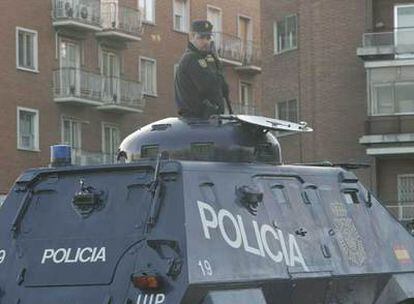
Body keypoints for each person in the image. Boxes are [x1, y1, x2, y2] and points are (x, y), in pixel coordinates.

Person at [175, 20, 230, 119]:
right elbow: (210, 87)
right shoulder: (191, 59)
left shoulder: (209, 58)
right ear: (191, 37)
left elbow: (224, 89)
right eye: (201, 37)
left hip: (208, 119)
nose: (206, 42)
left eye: (208, 38)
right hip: (197, 120)